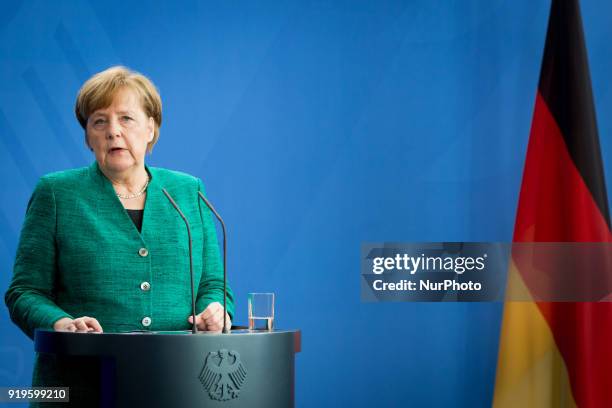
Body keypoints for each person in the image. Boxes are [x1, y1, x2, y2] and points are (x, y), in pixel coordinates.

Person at [4, 66, 234, 403]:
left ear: (151, 128)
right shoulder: (57, 193)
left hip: (178, 384)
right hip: (79, 387)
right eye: (99, 121)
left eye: (126, 118)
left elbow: (214, 284)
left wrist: (216, 309)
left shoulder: (188, 191)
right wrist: (61, 323)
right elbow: (24, 292)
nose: (113, 131)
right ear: (87, 136)